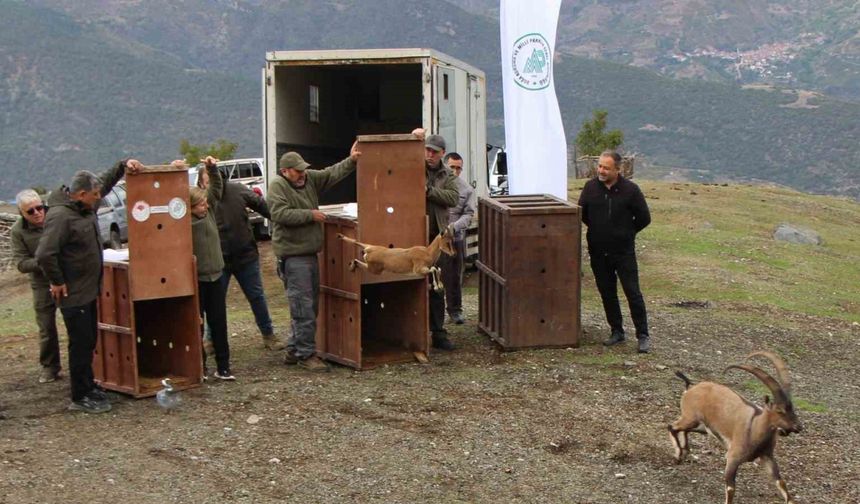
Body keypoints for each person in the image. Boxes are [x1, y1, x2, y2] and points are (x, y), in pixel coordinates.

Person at [36, 159, 142, 413]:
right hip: (73, 293)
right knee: (81, 343)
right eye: (94, 196)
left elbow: (103, 182)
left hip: (88, 289)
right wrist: (57, 281)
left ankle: (89, 385)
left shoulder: (84, 206)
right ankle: (80, 395)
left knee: (89, 340)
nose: (98, 199)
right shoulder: (61, 217)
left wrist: (123, 164)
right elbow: (44, 254)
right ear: (81, 194)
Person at [268, 142, 361, 371]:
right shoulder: (277, 187)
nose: (302, 174)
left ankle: (294, 349)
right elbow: (279, 214)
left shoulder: (308, 179)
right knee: (303, 307)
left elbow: (330, 174)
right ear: (285, 171)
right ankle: (305, 354)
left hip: (309, 254)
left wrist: (351, 161)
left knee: (308, 306)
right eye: (298, 171)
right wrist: (310, 215)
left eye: (303, 169)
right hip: (293, 256)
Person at [196, 166, 281, 352]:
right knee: (215, 303)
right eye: (207, 180)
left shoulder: (238, 190)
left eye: (213, 178)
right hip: (218, 261)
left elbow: (262, 205)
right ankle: (210, 340)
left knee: (257, 297)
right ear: (201, 182)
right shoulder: (200, 200)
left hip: (246, 256)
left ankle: (269, 335)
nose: (210, 182)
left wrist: (280, 218)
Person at [577, 150, 652, 353]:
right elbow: (581, 213)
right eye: (600, 166)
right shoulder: (590, 187)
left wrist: (627, 233)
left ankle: (643, 335)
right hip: (598, 252)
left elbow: (644, 218)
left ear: (618, 169)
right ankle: (616, 331)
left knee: (632, 292)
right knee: (607, 293)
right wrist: (598, 231)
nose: (601, 170)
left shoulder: (631, 190)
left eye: (606, 167)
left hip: (623, 252)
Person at [412, 128, 460, 350]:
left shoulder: (447, 175)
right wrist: (414, 137)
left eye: (434, 151)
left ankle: (438, 333)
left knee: (437, 286)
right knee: (412, 284)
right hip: (413, 237)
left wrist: (428, 191)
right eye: (427, 150)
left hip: (436, 239)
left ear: (442, 153)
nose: (429, 154)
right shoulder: (414, 165)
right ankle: (412, 331)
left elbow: (452, 198)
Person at [189, 156, 235, 381]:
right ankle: (200, 367)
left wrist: (212, 168)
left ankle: (224, 366)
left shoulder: (210, 211)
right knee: (196, 325)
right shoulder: (184, 223)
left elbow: (216, 187)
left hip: (216, 275)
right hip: (197, 280)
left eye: (205, 203)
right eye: (199, 205)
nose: (204, 206)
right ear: (190, 207)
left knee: (219, 323)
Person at [11, 189, 61, 384]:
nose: (37, 213)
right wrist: (44, 262)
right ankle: (50, 367)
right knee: (46, 327)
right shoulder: (18, 231)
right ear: (21, 213)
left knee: (78, 323)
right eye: (30, 211)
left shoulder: (57, 218)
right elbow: (21, 263)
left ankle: (84, 365)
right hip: (42, 283)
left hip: (68, 279)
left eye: (39, 208)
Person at [441, 152, 475, 325]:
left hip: (455, 238)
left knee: (454, 276)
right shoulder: (437, 184)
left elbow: (468, 214)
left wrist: (454, 227)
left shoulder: (466, 189)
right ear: (445, 165)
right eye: (451, 167)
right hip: (435, 238)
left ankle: (455, 310)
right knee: (434, 275)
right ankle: (434, 313)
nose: (454, 171)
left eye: (458, 168)